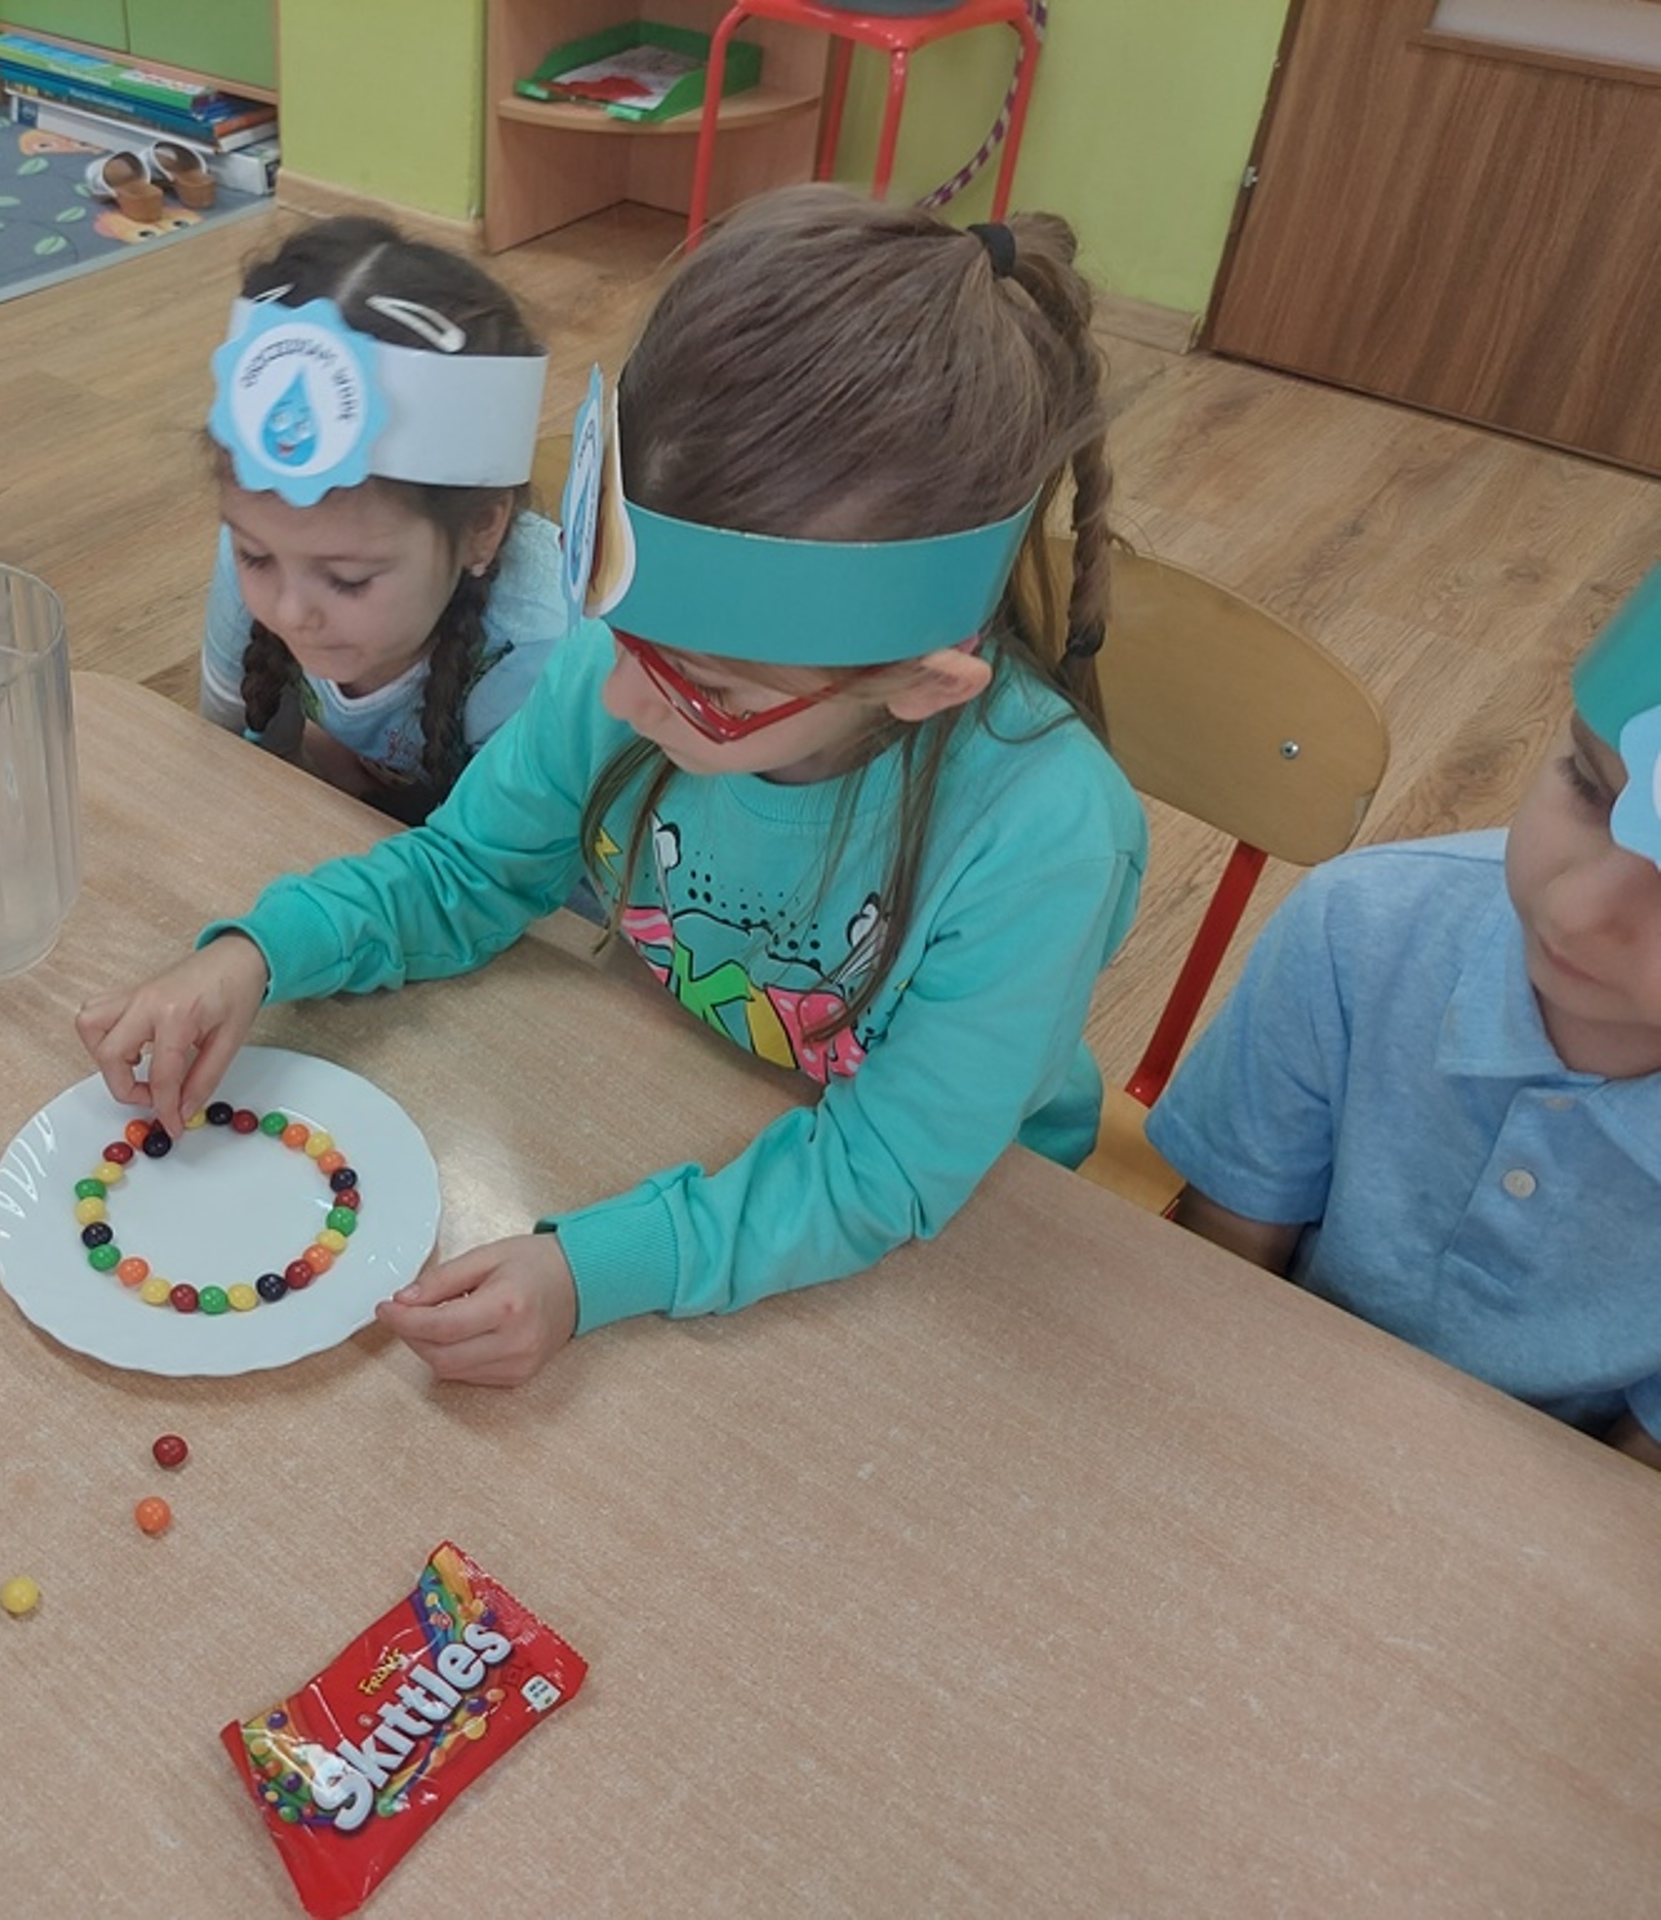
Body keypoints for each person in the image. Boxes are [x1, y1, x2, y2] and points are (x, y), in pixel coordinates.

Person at [84, 187, 1147, 1385]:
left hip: (967, 1233)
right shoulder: (626, 663)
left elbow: (885, 1171)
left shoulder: (1044, 840)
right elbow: (466, 872)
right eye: (618, 631)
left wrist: (601, 1267)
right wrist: (257, 955)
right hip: (688, 1089)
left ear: (920, 683)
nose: (624, 700)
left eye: (711, 691)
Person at [1148, 567, 1661, 1465]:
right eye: (1586, 784)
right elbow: (1218, 1264)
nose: (1578, 912)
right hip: (1253, 1418)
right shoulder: (1362, 929)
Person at [201, 217, 572, 825]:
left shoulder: (540, 656)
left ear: (480, 529)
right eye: (254, 556)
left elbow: (508, 868)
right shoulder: (270, 541)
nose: (291, 612)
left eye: (348, 580)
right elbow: (226, 761)